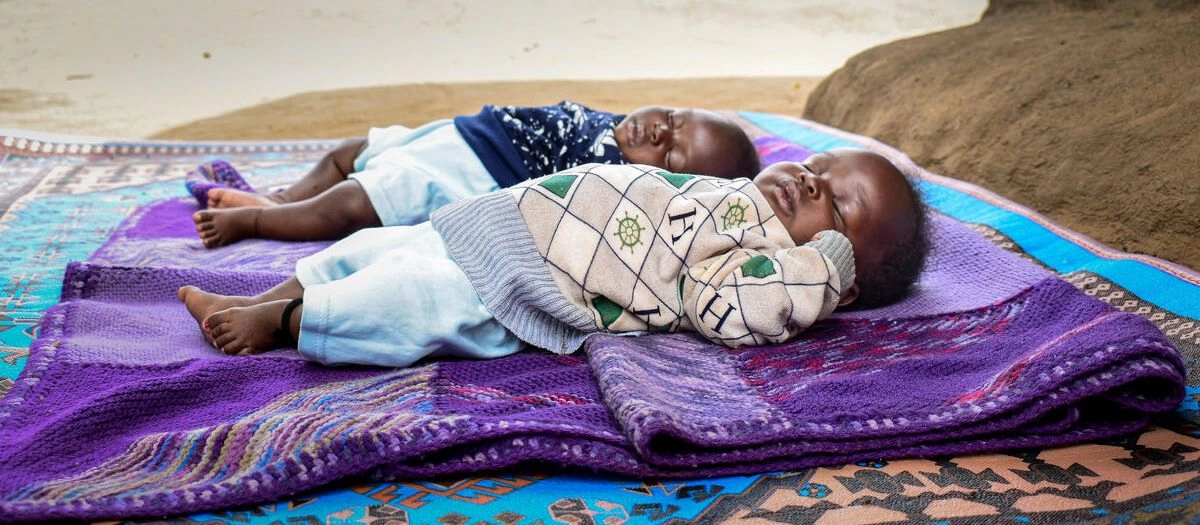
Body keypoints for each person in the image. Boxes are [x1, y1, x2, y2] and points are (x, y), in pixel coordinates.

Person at [177, 148, 929, 365]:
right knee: (376, 245)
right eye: (822, 164)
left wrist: (819, 269)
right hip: (498, 221)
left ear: (844, 274)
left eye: (839, 206)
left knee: (409, 296)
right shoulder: (730, 189)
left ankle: (288, 322)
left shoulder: (765, 264)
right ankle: (268, 294)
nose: (809, 179)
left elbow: (727, 310)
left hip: (528, 283)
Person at [187, 101, 762, 248]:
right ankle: (276, 194)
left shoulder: (614, 179)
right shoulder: (621, 127)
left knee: (351, 204)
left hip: (465, 173)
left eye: (669, 154)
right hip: (457, 134)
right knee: (351, 151)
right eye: (671, 119)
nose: (655, 133)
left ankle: (256, 220)